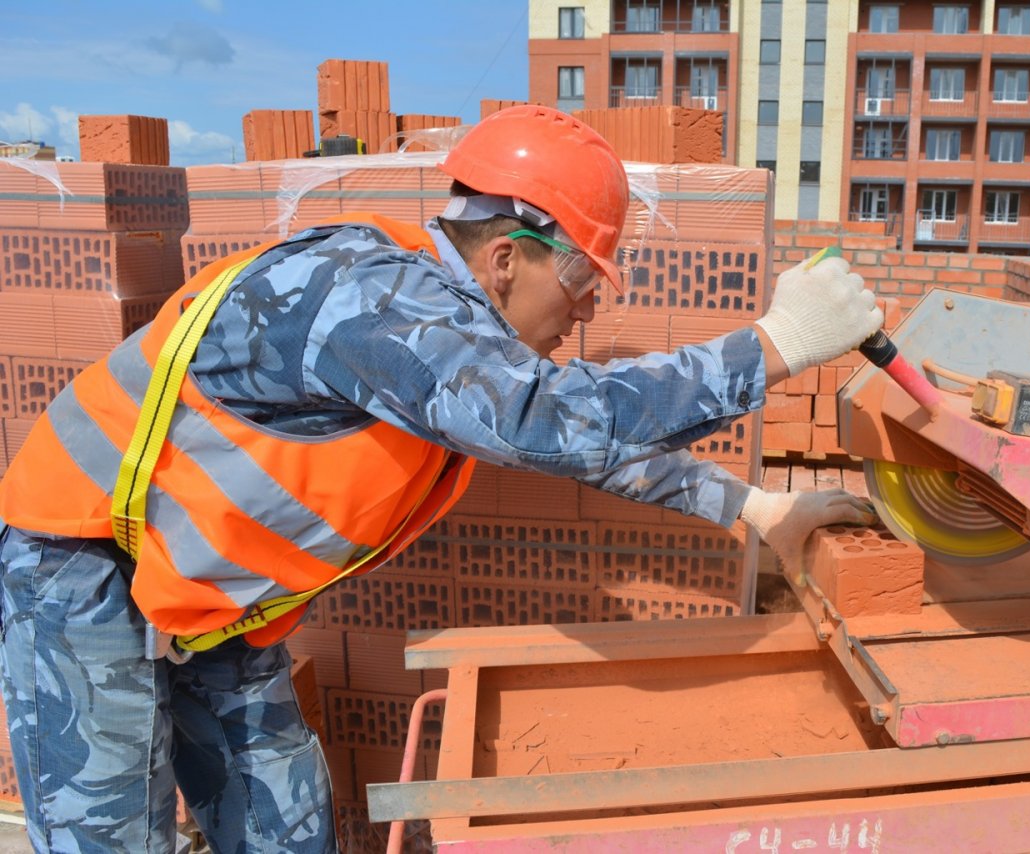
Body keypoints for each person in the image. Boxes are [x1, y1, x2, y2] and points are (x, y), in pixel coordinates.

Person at [0, 105, 882, 852]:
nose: (587, 310)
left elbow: (558, 438)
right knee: (113, 832)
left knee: (286, 825)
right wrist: (771, 348)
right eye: (579, 279)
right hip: (83, 572)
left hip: (209, 595)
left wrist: (757, 506)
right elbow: (540, 420)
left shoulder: (451, 334)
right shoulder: (365, 299)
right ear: (507, 255)